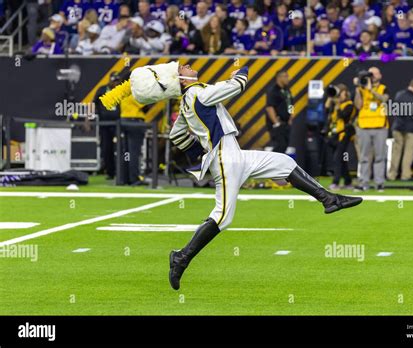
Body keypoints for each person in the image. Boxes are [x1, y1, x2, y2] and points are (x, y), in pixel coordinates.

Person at [101, 62, 363, 290]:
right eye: (181, 69)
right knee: (223, 217)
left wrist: (202, 152)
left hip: (231, 153)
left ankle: (329, 199)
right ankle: (181, 258)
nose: (186, 66)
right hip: (227, 158)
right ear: (180, 80)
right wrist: (243, 70)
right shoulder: (197, 93)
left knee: (283, 162)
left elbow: (176, 136)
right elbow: (237, 85)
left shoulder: (187, 101)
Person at [354, 67, 389, 192]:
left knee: (380, 156)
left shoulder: (382, 87)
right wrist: (358, 89)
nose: (372, 76)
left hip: (380, 126)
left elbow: (384, 99)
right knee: (364, 157)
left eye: (374, 74)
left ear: (379, 75)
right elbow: (358, 105)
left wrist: (371, 91)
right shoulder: (361, 89)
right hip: (364, 126)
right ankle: (364, 182)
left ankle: (379, 183)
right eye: (370, 74)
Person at [387, 78, 413, 181]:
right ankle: (405, 175)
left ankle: (392, 175)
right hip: (411, 129)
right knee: (408, 153)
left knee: (396, 152)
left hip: (397, 127)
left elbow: (394, 109)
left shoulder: (399, 94)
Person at [325, 84, 357, 190]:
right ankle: (348, 182)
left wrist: (338, 107)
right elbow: (326, 112)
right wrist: (330, 99)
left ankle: (336, 182)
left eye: (341, 92)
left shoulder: (349, 104)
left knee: (337, 158)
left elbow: (343, 116)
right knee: (341, 159)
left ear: (346, 93)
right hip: (334, 135)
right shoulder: (334, 104)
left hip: (344, 134)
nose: (339, 95)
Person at [94, 72, 121, 179]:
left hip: (118, 124)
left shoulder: (120, 90)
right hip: (105, 124)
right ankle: (110, 172)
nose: (115, 83)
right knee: (106, 148)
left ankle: (121, 172)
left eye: (117, 81)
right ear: (109, 80)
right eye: (114, 81)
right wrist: (88, 118)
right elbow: (94, 103)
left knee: (120, 148)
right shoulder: (102, 90)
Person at [265, 70, 293, 153]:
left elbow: (291, 104)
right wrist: (276, 123)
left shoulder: (287, 91)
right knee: (280, 145)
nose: (288, 79)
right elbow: (269, 107)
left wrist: (291, 116)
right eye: (285, 76)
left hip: (286, 123)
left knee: (285, 145)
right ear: (279, 78)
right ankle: (271, 162)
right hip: (277, 123)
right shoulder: (273, 91)